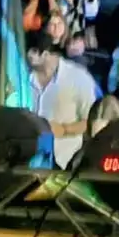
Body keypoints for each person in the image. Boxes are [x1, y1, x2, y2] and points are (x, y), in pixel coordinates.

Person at [28, 32, 100, 169]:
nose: (28, 57)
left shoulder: (78, 77)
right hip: (29, 161)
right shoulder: (23, 78)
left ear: (45, 54)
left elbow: (92, 121)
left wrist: (63, 129)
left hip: (65, 161)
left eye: (33, 52)